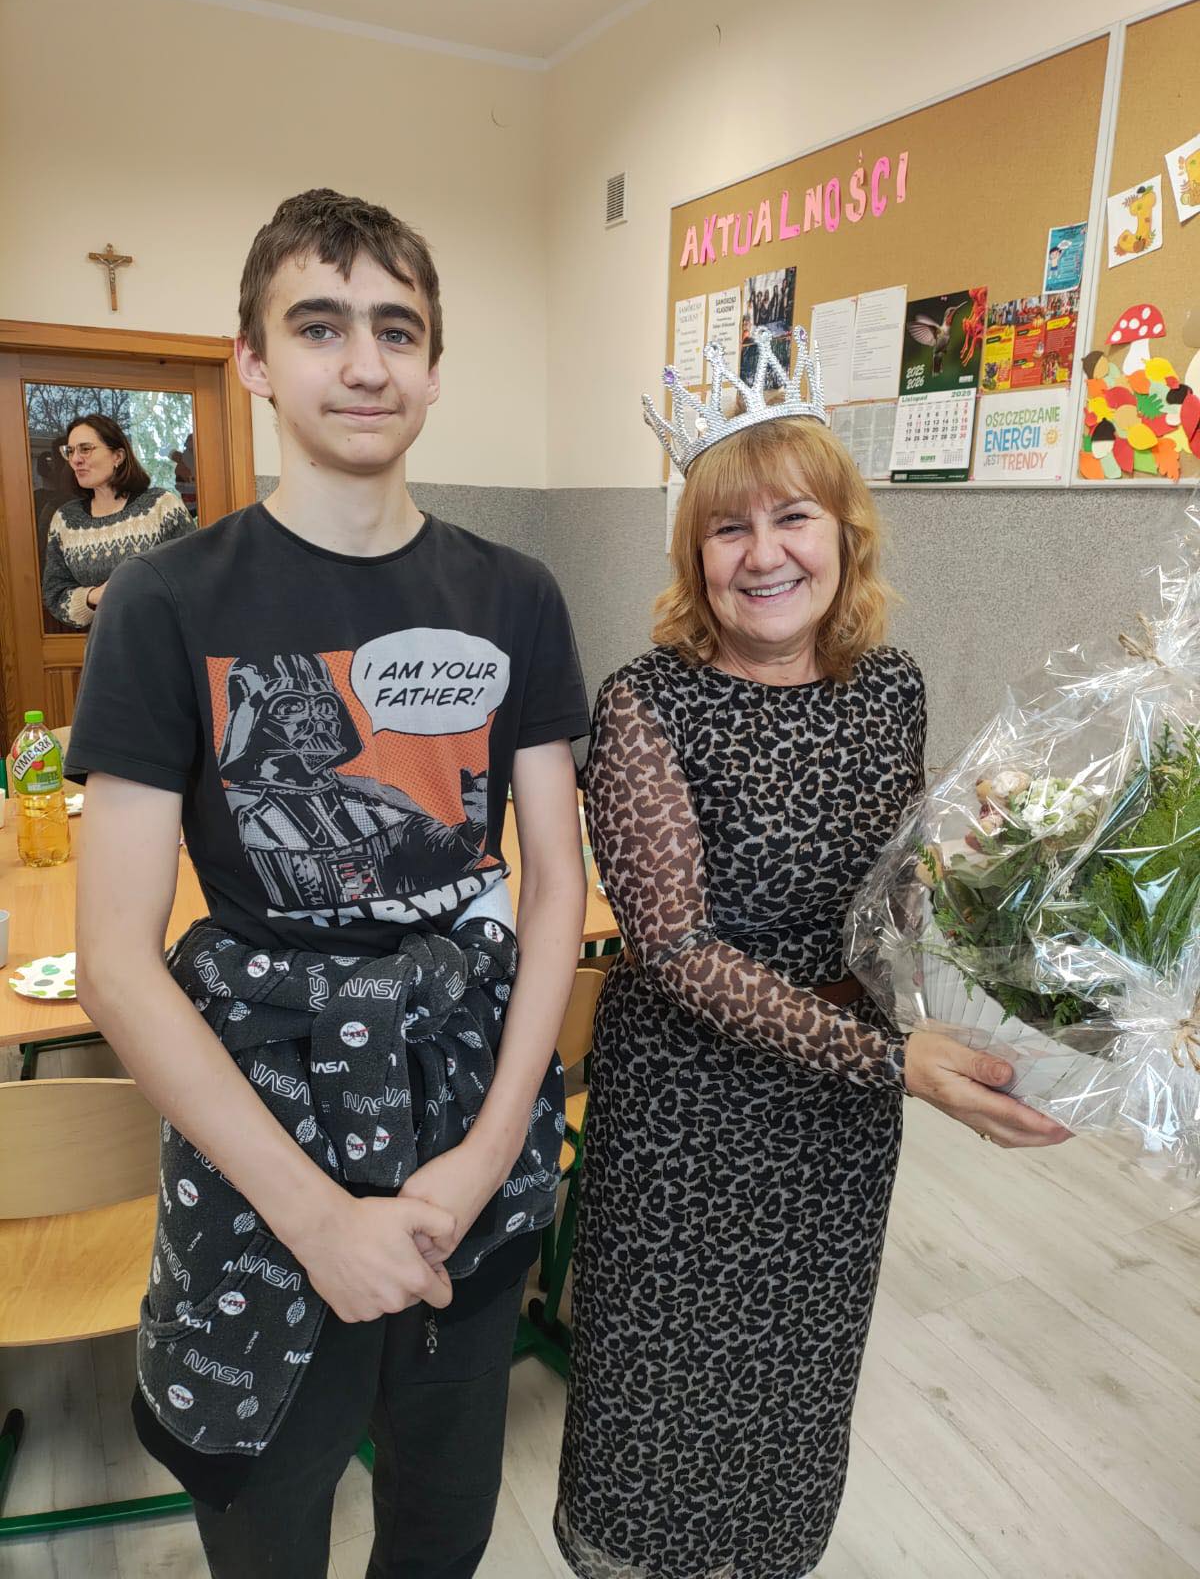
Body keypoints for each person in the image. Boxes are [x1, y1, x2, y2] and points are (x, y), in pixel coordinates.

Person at [70, 188, 589, 1579]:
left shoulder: (516, 596)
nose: (365, 363)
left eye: (397, 331)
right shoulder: (166, 603)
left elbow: (553, 891)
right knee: (267, 1522)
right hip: (264, 1137)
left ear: (434, 365)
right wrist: (319, 1223)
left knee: (443, 1519)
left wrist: (482, 1159)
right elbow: (115, 960)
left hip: (468, 1113)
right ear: (253, 360)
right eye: (319, 326)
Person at [555, 339, 1070, 1579]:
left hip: (837, 1122)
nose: (764, 552)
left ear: (845, 533)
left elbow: (893, 896)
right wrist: (892, 1060)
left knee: (799, 1372)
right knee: (665, 1382)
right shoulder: (647, 703)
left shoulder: (890, 687)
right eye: (727, 528)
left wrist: (1007, 878)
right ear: (694, 555)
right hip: (689, 1115)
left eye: (793, 517)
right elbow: (676, 949)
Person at [41, 413, 194, 629]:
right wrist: (93, 596)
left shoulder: (161, 506)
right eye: (70, 451)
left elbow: (193, 575)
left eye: (85, 449)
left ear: (118, 456)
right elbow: (55, 593)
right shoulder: (65, 519)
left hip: (162, 640)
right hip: (101, 644)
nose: (75, 459)